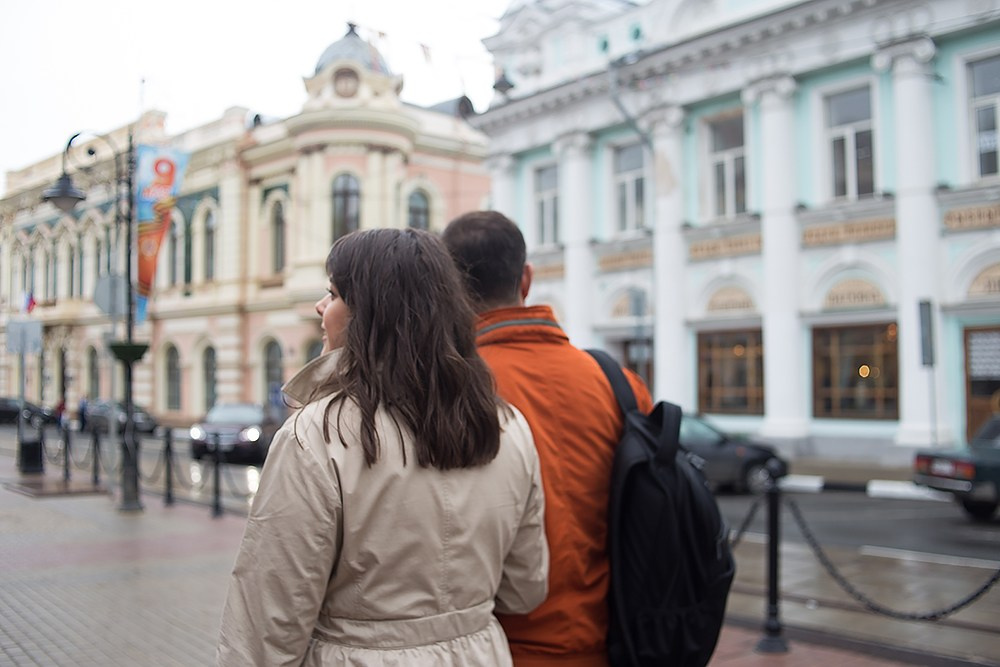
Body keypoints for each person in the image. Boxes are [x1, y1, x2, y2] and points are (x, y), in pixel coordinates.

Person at [218, 228, 548, 666]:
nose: (321, 307)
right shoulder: (507, 425)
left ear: (371, 314)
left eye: (333, 294)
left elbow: (265, 629)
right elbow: (525, 588)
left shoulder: (317, 434)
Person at [443, 211, 653, 667]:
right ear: (526, 279)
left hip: (489, 648)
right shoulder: (617, 383)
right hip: (605, 641)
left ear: (449, 288)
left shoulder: (445, 390)